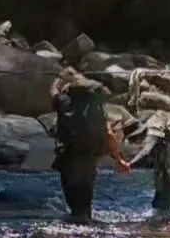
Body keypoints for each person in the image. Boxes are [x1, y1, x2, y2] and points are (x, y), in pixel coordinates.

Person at [51, 68, 130, 222]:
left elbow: (53, 90)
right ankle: (87, 235)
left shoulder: (64, 103)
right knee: (85, 205)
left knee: (75, 206)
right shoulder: (97, 111)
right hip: (89, 161)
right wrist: (118, 160)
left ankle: (76, 236)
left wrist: (61, 77)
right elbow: (110, 136)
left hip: (69, 160)